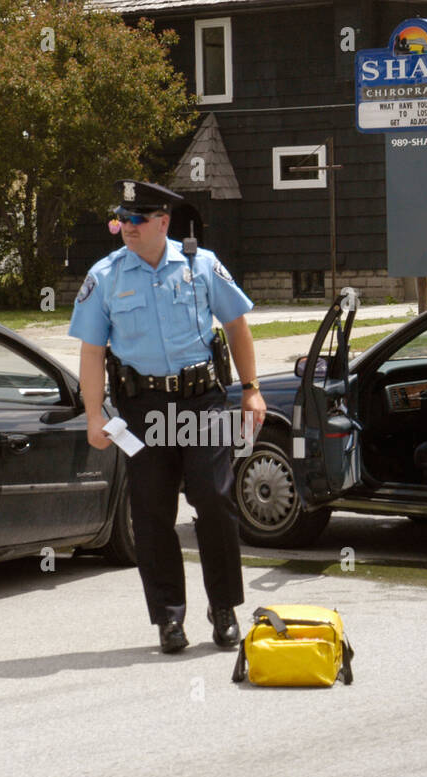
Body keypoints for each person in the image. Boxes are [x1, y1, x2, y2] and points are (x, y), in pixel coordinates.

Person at [69, 180, 266, 654]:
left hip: (202, 402)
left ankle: (223, 609)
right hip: (142, 409)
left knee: (215, 502)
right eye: (122, 218)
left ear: (163, 222)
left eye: (137, 220)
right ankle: (168, 619)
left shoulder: (200, 265)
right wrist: (95, 416)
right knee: (152, 513)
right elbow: (92, 353)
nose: (127, 228)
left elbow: (237, 325)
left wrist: (252, 390)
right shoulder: (106, 276)